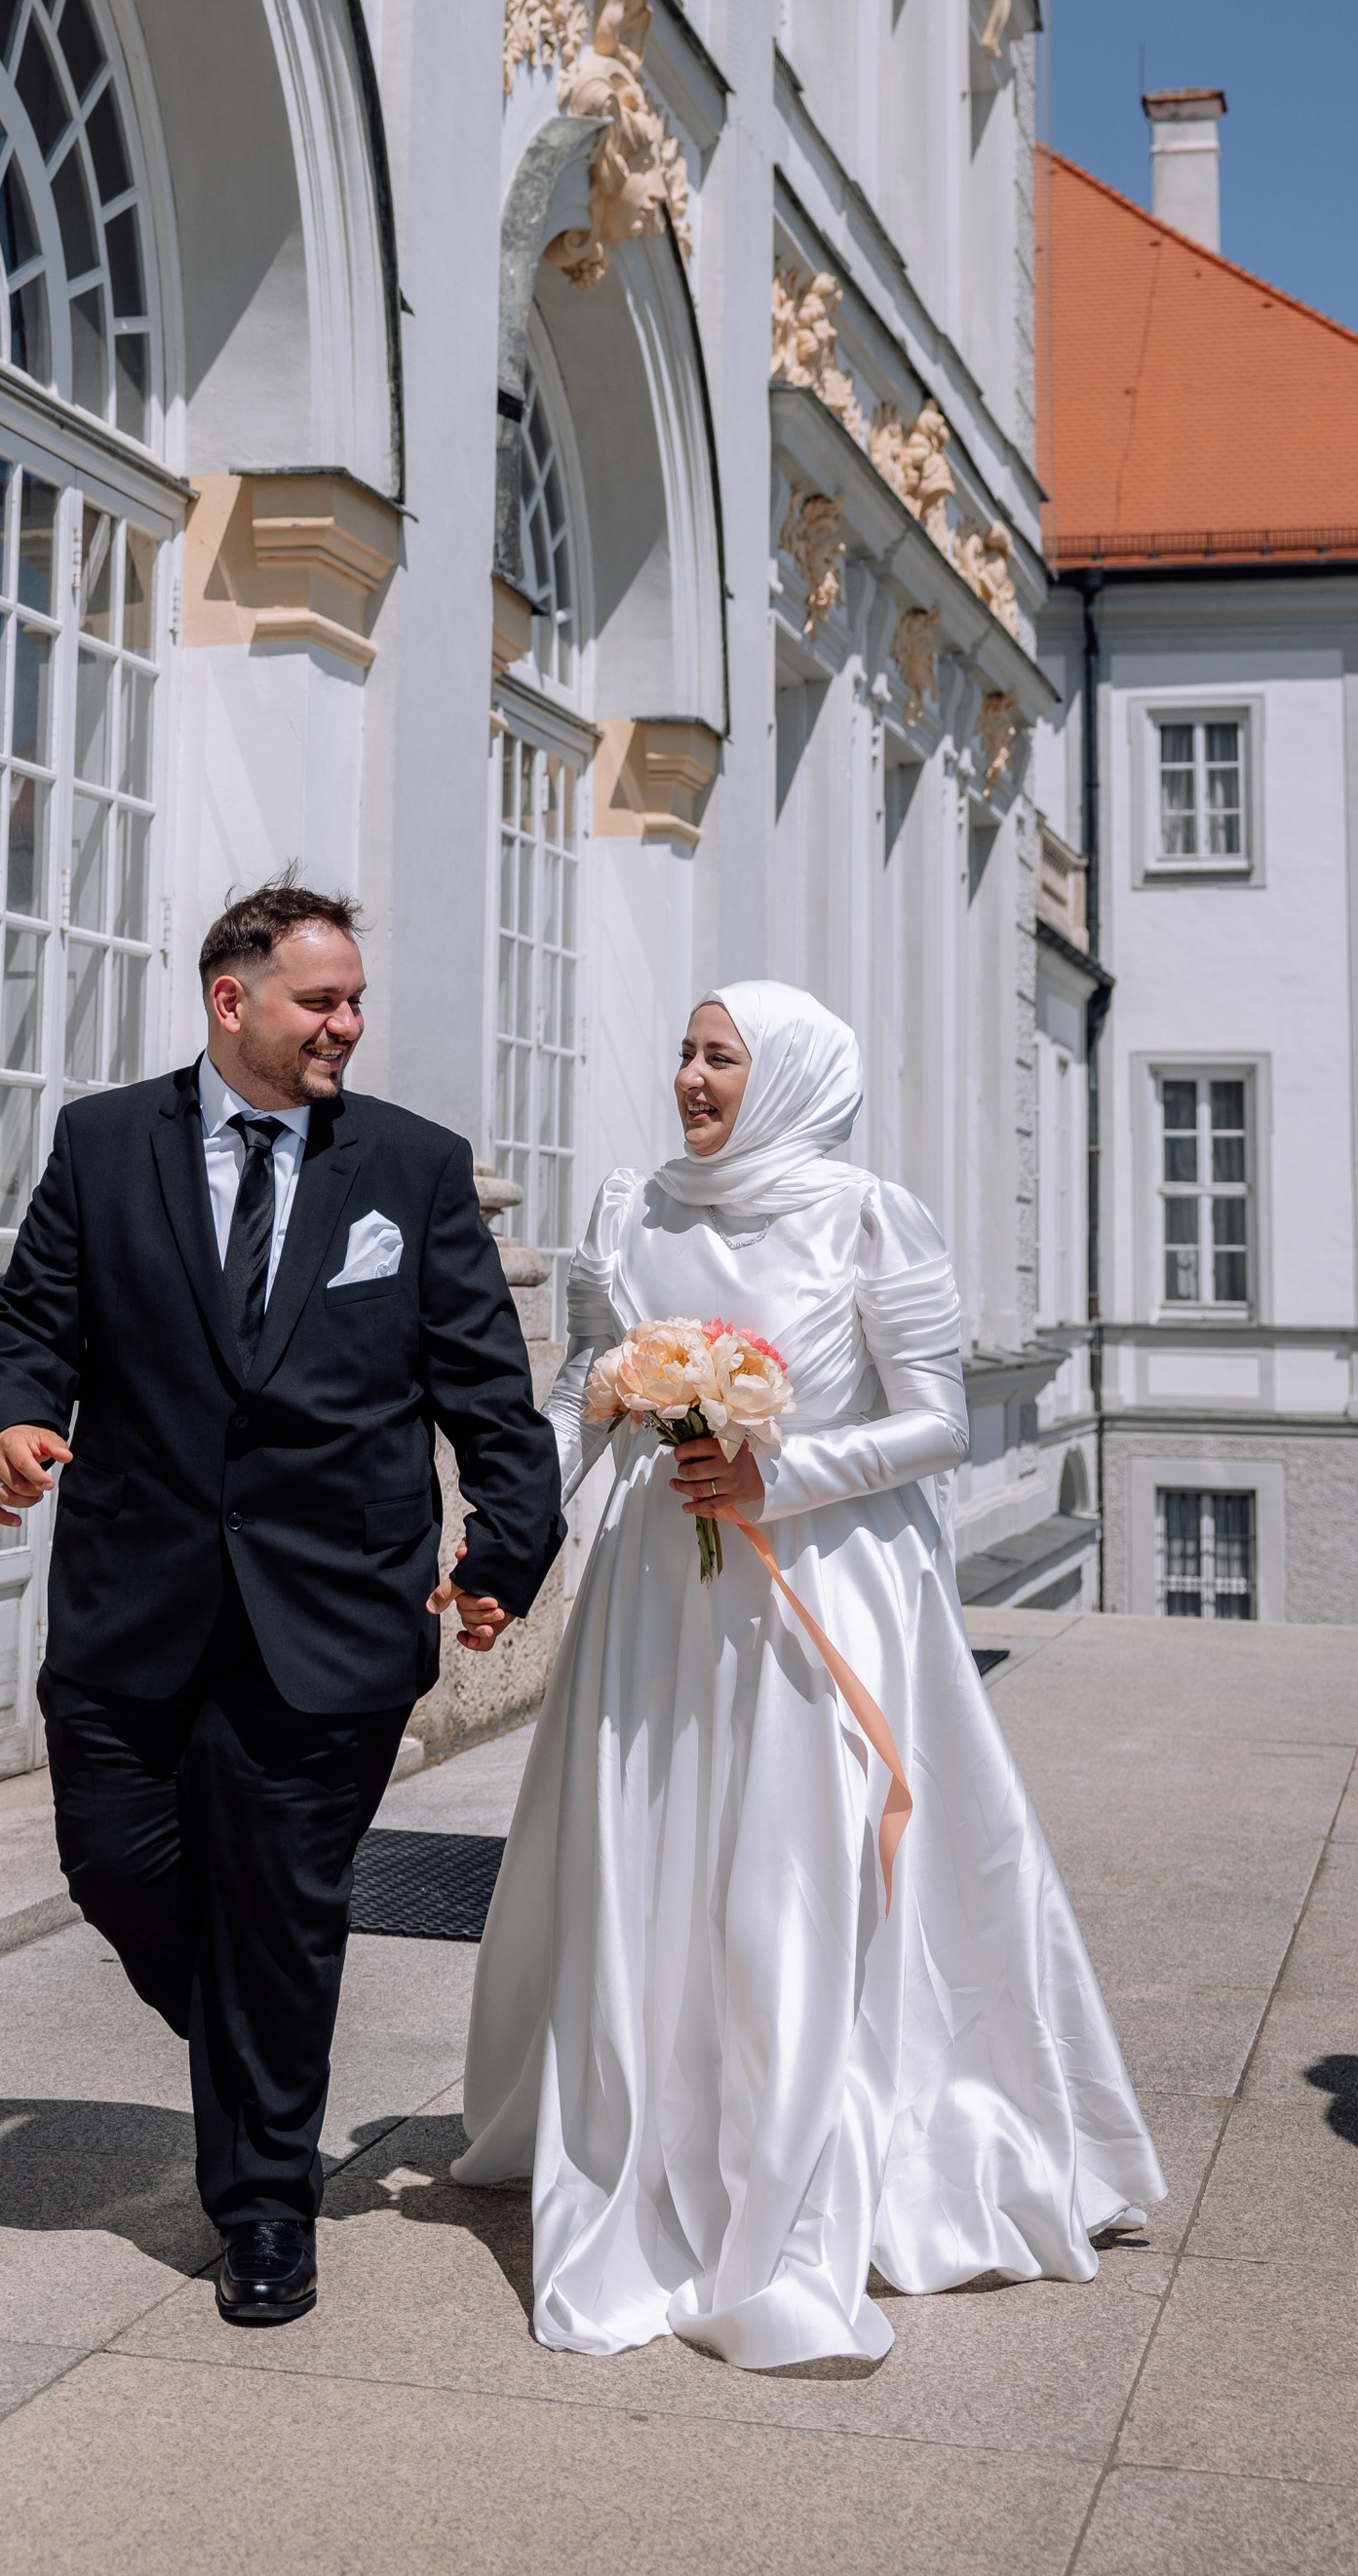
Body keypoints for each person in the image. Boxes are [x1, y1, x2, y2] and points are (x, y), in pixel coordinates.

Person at [454, 979, 1161, 2366]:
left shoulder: (870, 1215)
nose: (694, 1078)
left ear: (787, 1075)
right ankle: (646, 2126)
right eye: (685, 1051)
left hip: (818, 1593)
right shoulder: (630, 1210)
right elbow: (578, 1403)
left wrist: (781, 1473)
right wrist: (499, 1546)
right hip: (661, 1600)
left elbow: (937, 1423)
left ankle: (797, 2170)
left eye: (724, 1057)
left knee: (792, 1876)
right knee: (650, 1860)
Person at [0, 879, 563, 2328]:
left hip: (333, 1615)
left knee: (285, 1918)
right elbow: (29, 1317)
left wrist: (501, 1556)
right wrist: (10, 1416)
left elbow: (488, 1386)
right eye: (320, 1000)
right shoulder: (105, 1144)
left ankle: (265, 2208)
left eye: (355, 999)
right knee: (116, 1864)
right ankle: (253, 2052)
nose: (347, 1025)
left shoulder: (412, 1168)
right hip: (132, 1602)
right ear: (231, 1002)